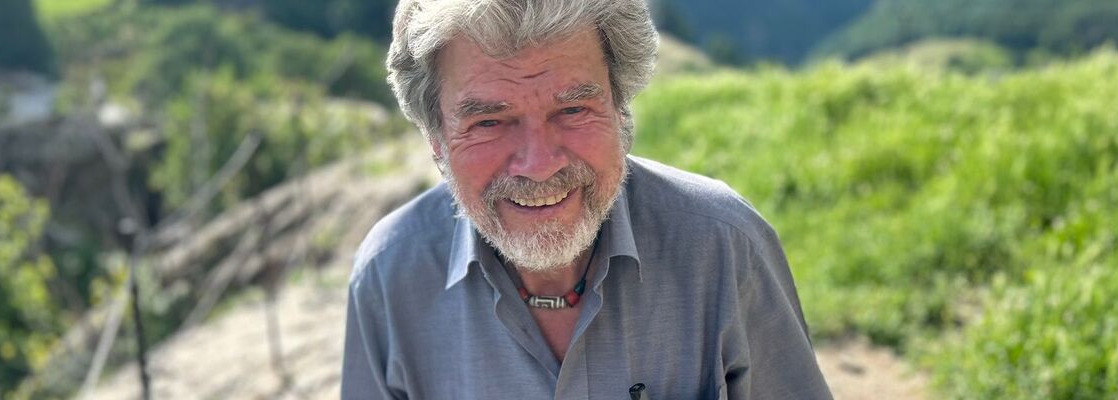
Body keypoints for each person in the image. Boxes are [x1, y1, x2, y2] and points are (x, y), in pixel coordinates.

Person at [342, 0, 832, 398]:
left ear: (621, 112)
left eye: (573, 109)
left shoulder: (725, 247)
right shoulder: (389, 276)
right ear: (436, 139)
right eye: (489, 122)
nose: (539, 164)